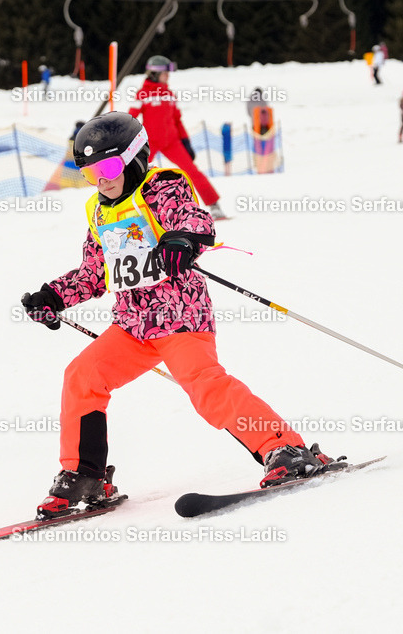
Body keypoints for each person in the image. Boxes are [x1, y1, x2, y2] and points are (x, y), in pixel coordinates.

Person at [20, 111, 336, 520]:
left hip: (180, 317)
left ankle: (283, 448)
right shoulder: (99, 212)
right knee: (82, 376)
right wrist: (54, 296)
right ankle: (84, 475)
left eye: (109, 167)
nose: (102, 180)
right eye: (89, 172)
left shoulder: (161, 188)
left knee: (204, 385)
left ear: (135, 157)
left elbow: (195, 219)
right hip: (132, 327)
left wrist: (182, 239)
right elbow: (95, 272)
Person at [128, 55, 226, 220]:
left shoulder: (169, 94)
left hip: (172, 141)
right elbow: (131, 117)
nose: (168, 76)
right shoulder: (142, 94)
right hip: (151, 142)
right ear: (154, 74)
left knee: (192, 172)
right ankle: (128, 210)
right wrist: (128, 139)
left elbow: (177, 120)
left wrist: (186, 141)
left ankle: (214, 205)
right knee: (137, 174)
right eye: (165, 73)